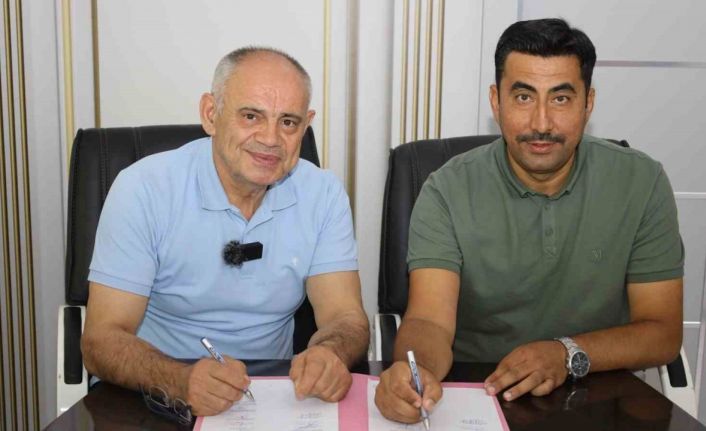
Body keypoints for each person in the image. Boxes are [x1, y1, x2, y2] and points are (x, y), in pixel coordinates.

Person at [375, 18, 684, 424]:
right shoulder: (446, 189)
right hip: (476, 395)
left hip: (599, 390)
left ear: (588, 103)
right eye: (523, 97)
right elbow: (429, 320)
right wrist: (418, 374)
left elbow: (662, 332)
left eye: (561, 98)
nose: (541, 123)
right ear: (496, 101)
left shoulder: (641, 182)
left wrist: (566, 353)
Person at [81, 47, 370, 417]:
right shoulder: (144, 189)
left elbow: (346, 316)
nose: (270, 139)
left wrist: (331, 354)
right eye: (251, 116)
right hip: (152, 392)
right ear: (210, 114)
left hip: (274, 396)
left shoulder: (323, 194)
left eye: (288, 122)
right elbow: (101, 340)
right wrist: (180, 380)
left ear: (306, 125)